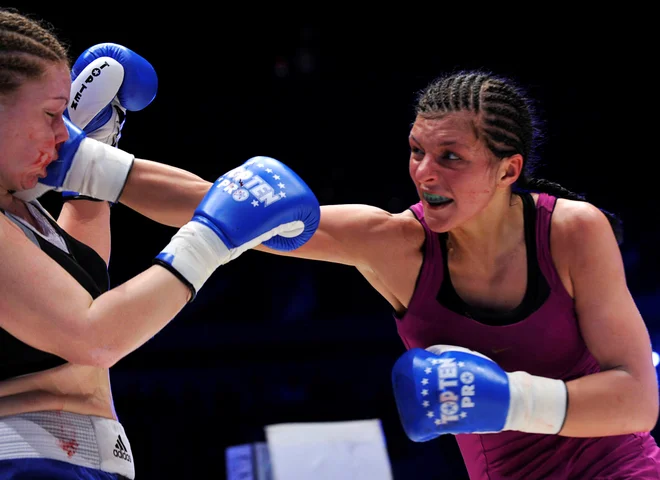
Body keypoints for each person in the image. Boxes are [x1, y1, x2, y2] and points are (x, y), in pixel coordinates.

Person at [252, 70, 660, 479]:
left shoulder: (571, 231)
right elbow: (228, 209)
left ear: (507, 171)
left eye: (451, 156)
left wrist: (508, 399)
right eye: (416, 150)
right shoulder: (396, 245)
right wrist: (204, 238)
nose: (424, 173)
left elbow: (639, 401)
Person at [0, 8, 320, 479]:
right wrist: (209, 240)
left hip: (69, 458)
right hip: (29, 459)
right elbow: (92, 336)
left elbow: (75, 288)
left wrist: (95, 165)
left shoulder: (18, 208)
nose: (61, 135)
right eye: (51, 114)